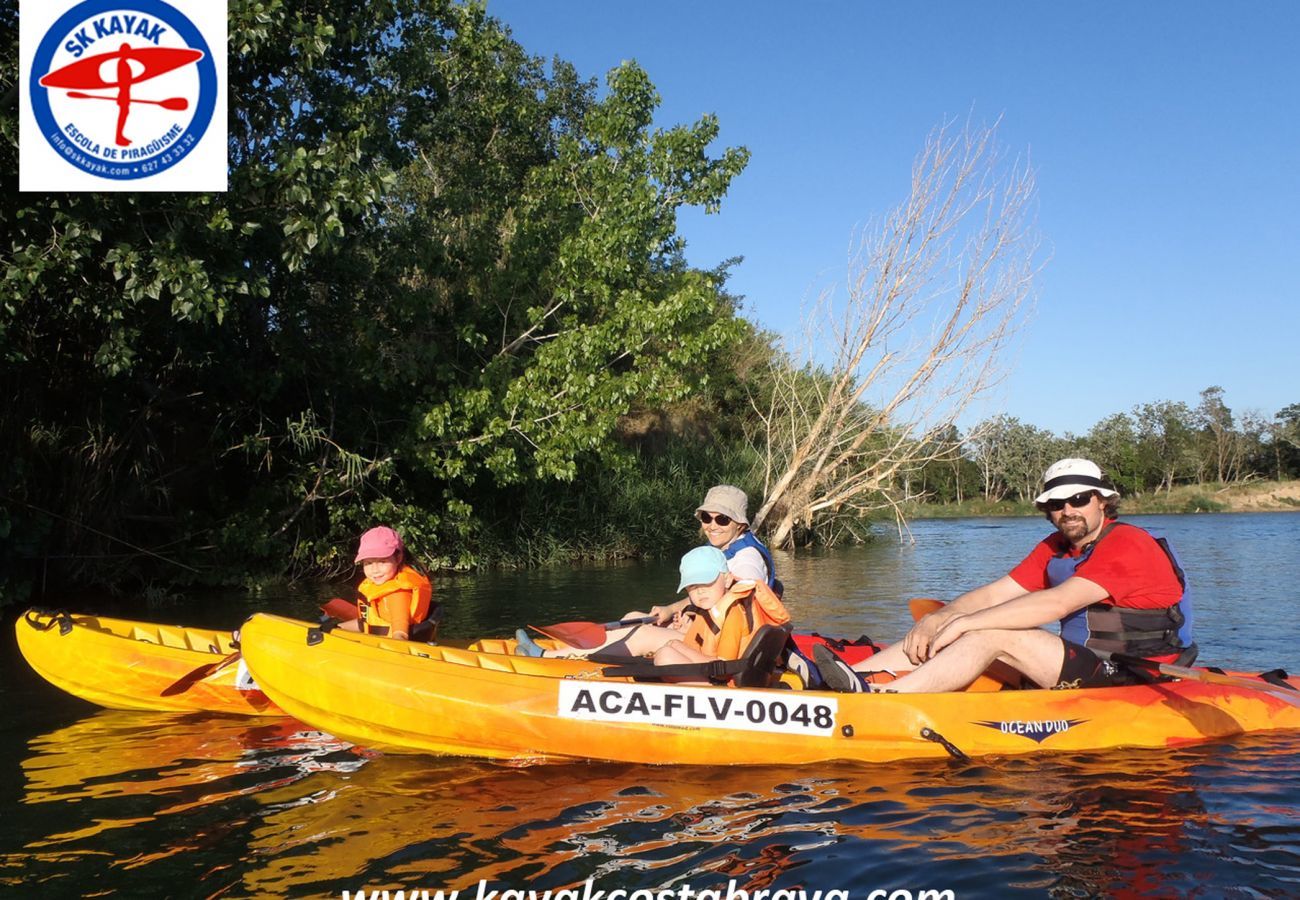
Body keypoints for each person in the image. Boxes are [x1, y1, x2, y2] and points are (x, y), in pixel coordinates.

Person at [815, 458, 1194, 694]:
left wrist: (964, 625)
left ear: (1102, 501)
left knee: (986, 633)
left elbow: (1057, 602)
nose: (1068, 510)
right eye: (1056, 504)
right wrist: (939, 619)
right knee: (942, 627)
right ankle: (833, 680)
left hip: (1130, 673)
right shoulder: (1055, 546)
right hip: (1083, 661)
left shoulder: (1129, 543)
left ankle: (881, 700)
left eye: (1079, 499)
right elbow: (996, 593)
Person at [515, 545, 790, 663]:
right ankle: (567, 654)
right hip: (705, 640)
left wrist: (681, 635)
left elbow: (725, 655)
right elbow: (708, 606)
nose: (711, 523)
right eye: (706, 517)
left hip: (719, 659)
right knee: (636, 617)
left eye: (720, 519)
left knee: (648, 638)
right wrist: (683, 615)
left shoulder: (745, 559)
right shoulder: (716, 560)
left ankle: (549, 657)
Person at [641, 484, 779, 627]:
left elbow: (739, 608)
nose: (712, 526)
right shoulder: (718, 547)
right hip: (711, 626)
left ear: (739, 524)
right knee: (634, 617)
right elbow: (707, 594)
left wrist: (691, 624)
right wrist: (671, 609)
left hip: (730, 637)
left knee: (641, 636)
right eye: (707, 517)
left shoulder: (748, 559)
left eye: (723, 519)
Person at [340, 526, 435, 641]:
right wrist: (337, 628)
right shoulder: (379, 586)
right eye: (369, 563)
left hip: (393, 647)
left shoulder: (397, 594)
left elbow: (400, 634)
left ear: (398, 558)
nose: (375, 570)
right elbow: (364, 625)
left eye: (382, 562)